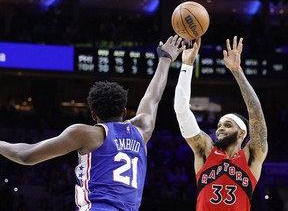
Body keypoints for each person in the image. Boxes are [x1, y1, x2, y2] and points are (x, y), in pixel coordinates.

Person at [0, 35, 187, 211]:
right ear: (123, 111)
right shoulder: (142, 131)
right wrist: (165, 59)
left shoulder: (87, 134)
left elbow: (26, 156)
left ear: (93, 114)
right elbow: (152, 98)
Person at [173, 36, 268, 211]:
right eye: (219, 126)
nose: (220, 129)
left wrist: (237, 71)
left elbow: (256, 113)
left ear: (242, 133)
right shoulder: (206, 150)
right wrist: (187, 65)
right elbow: (181, 110)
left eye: (228, 125)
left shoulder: (251, 157)